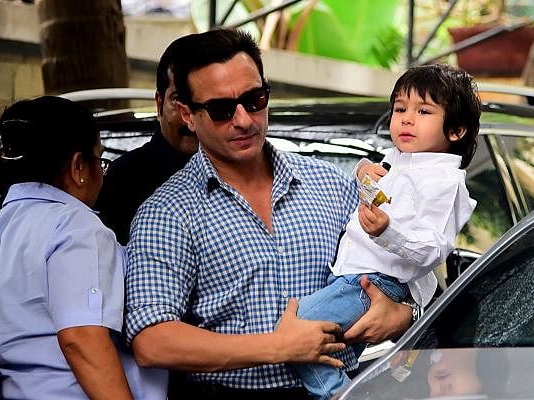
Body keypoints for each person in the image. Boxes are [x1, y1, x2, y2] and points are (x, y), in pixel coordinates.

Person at [124, 28, 414, 399]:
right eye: (221, 109)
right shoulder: (167, 213)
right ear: (188, 115)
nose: (244, 119)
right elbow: (153, 341)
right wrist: (280, 346)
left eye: (255, 99)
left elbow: (410, 265)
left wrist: (404, 313)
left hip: (346, 387)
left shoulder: (330, 184)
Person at [292, 63, 481, 399]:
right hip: (352, 277)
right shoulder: (400, 159)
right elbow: (371, 185)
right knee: (314, 338)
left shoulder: (443, 181)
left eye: (423, 111)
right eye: (400, 108)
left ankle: (336, 395)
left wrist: (387, 231)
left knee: (300, 327)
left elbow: (432, 249)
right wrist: (362, 169)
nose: (407, 118)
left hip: (375, 281)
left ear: (456, 131)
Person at [0, 96, 165, 400]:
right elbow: (81, 338)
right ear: (79, 167)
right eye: (100, 159)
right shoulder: (76, 227)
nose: (102, 173)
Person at [96, 35, 199, 245]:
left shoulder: (246, 175)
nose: (190, 118)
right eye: (179, 100)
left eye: (203, 103)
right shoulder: (121, 180)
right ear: (159, 103)